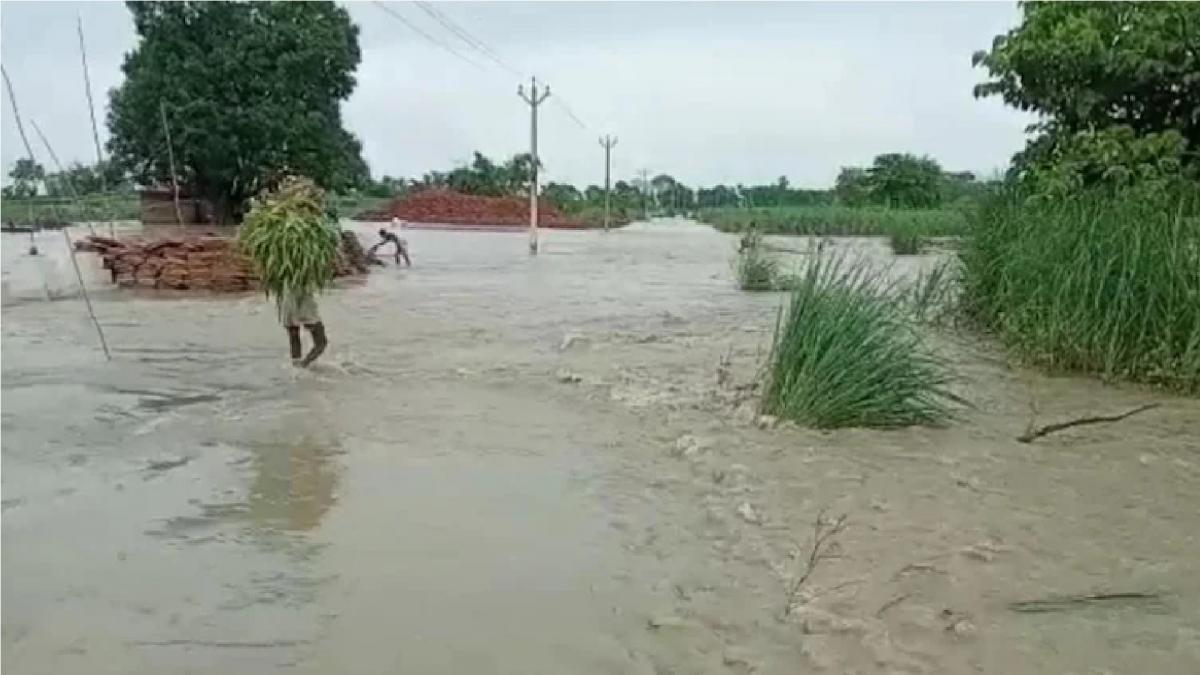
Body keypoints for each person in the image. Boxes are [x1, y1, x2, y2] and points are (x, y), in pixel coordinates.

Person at [280, 289, 328, 367]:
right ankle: (304, 364)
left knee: (294, 339)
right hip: (305, 304)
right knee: (321, 342)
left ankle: (296, 369)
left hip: (288, 303)